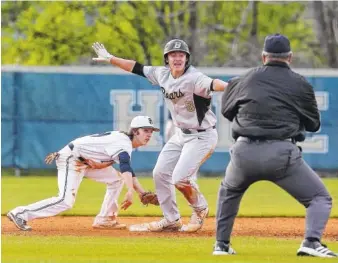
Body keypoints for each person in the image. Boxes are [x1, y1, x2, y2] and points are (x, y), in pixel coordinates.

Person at [213, 34, 337, 258]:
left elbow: (226, 111)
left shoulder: (243, 80)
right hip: (281, 154)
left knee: (228, 192)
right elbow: (314, 124)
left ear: (263, 56)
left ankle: (221, 245)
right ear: (290, 57)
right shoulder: (301, 84)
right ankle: (310, 241)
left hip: (243, 153)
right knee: (320, 198)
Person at [92, 39, 228, 232]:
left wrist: (230, 86)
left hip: (202, 136)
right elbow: (137, 68)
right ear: (167, 59)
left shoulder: (194, 78)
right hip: (181, 134)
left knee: (180, 179)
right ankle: (171, 219)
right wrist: (111, 58)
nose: (177, 58)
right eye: (173, 55)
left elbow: (213, 83)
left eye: (181, 55)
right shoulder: (162, 74)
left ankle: (200, 209)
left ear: (187, 58)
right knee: (160, 173)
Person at [7, 116, 159, 231]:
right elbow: (125, 166)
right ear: (134, 131)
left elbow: (128, 171)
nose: (149, 134)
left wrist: (141, 192)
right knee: (65, 201)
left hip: (87, 162)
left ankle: (105, 218)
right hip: (72, 159)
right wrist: (131, 191)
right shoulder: (123, 143)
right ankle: (20, 213)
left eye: (151, 131)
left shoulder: (124, 141)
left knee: (116, 180)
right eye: (145, 130)